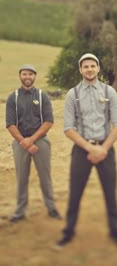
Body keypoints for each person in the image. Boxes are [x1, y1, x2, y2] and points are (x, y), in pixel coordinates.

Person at [56, 53, 117, 249]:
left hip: (106, 149)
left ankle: (116, 233)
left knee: (110, 193)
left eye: (92, 66)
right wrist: (90, 148)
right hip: (82, 150)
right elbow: (68, 128)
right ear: (80, 70)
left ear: (98, 68)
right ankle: (68, 233)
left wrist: (103, 149)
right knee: (75, 193)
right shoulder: (73, 94)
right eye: (85, 66)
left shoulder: (109, 91)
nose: (89, 69)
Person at [6, 64, 61, 222]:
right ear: (20, 76)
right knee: (21, 177)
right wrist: (24, 141)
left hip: (40, 141)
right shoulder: (13, 97)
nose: (27, 77)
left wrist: (31, 140)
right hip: (19, 142)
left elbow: (49, 121)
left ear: (35, 76)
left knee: (45, 176)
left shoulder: (42, 96)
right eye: (24, 74)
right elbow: (10, 124)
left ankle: (51, 208)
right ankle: (20, 211)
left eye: (30, 74)